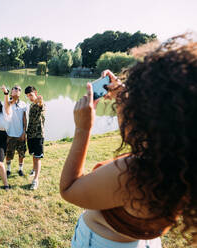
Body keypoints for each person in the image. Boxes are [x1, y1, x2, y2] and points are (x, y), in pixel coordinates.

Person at [60, 36, 197, 247]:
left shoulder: (135, 175)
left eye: (138, 99)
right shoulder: (178, 162)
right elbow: (140, 137)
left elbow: (69, 189)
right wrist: (122, 94)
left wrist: (82, 128)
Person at [24, 86, 45, 190]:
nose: (30, 97)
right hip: (30, 134)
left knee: (37, 157)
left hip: (38, 135)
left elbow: (41, 105)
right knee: (33, 155)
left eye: (31, 95)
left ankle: (36, 180)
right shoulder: (31, 104)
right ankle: (33, 169)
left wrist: (39, 101)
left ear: (35, 93)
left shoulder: (41, 103)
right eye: (28, 96)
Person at [5, 85, 28, 177]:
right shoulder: (7, 102)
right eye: (15, 89)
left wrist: (24, 132)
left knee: (21, 153)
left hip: (20, 134)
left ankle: (20, 169)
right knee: (9, 153)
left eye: (19, 89)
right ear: (11, 91)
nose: (17, 90)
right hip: (10, 134)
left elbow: (24, 119)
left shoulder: (23, 104)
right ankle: (8, 170)